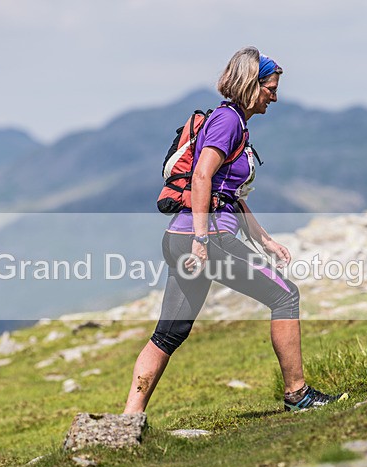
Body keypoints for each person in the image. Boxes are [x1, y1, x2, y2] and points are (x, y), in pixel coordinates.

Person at [123, 46, 346, 414]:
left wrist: (264, 239)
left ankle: (130, 419)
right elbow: (201, 176)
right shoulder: (227, 122)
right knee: (285, 295)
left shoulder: (233, 123)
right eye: (269, 88)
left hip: (180, 237)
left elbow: (229, 195)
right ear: (250, 85)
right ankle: (298, 395)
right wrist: (201, 241)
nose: (274, 96)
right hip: (207, 238)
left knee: (169, 333)